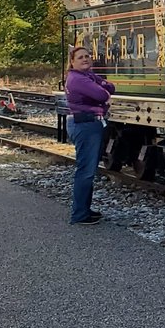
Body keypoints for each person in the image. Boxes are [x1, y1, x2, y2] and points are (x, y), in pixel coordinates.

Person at [65, 45, 115, 224]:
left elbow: (111, 87)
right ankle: (79, 214)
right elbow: (102, 94)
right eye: (80, 57)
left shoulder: (86, 76)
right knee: (85, 171)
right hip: (85, 125)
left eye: (87, 56)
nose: (85, 59)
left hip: (88, 124)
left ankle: (84, 209)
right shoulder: (79, 79)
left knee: (87, 170)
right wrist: (102, 87)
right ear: (72, 62)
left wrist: (102, 85)